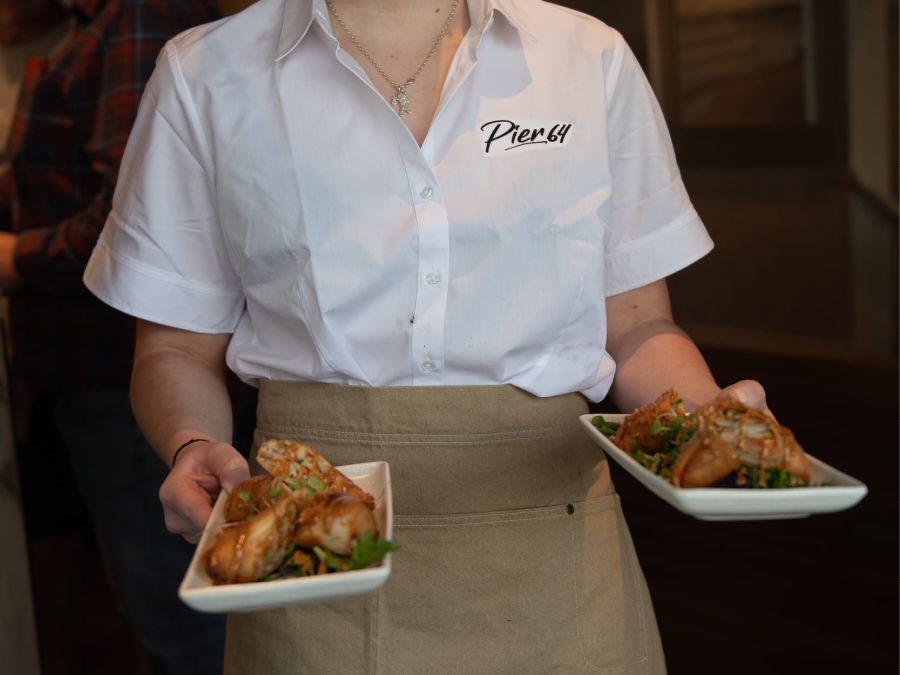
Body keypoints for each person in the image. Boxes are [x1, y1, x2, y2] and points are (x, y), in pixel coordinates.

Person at [85, 0, 771, 672]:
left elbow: (637, 323)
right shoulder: (205, 72)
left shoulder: (589, 57)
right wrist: (193, 445)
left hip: (557, 548)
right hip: (311, 549)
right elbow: (175, 349)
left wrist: (708, 418)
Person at [0, 1, 228, 673]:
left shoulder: (138, 17)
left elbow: (126, 217)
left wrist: (15, 257)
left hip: (120, 377)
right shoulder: (94, 24)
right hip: (99, 375)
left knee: (179, 615)